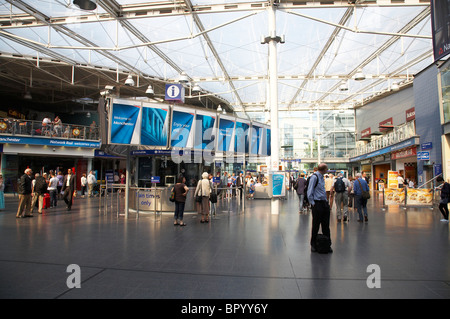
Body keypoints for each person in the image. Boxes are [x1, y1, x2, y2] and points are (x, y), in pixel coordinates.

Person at [307, 163, 332, 253]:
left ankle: (327, 244)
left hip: (324, 203)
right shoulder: (315, 177)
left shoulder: (321, 177)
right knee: (316, 225)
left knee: (326, 226)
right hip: (317, 204)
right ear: (324, 169)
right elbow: (310, 191)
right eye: (327, 168)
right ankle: (313, 244)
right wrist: (313, 203)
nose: (327, 170)